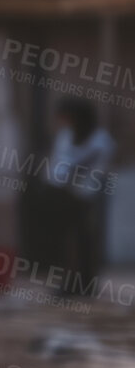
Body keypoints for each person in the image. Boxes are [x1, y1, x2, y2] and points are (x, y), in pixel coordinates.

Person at [47, 98, 116, 294]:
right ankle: (68, 283)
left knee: (86, 241)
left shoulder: (101, 140)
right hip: (64, 195)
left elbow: (96, 168)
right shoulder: (66, 136)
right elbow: (58, 165)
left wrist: (74, 173)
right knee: (66, 240)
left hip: (89, 198)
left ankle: (86, 285)